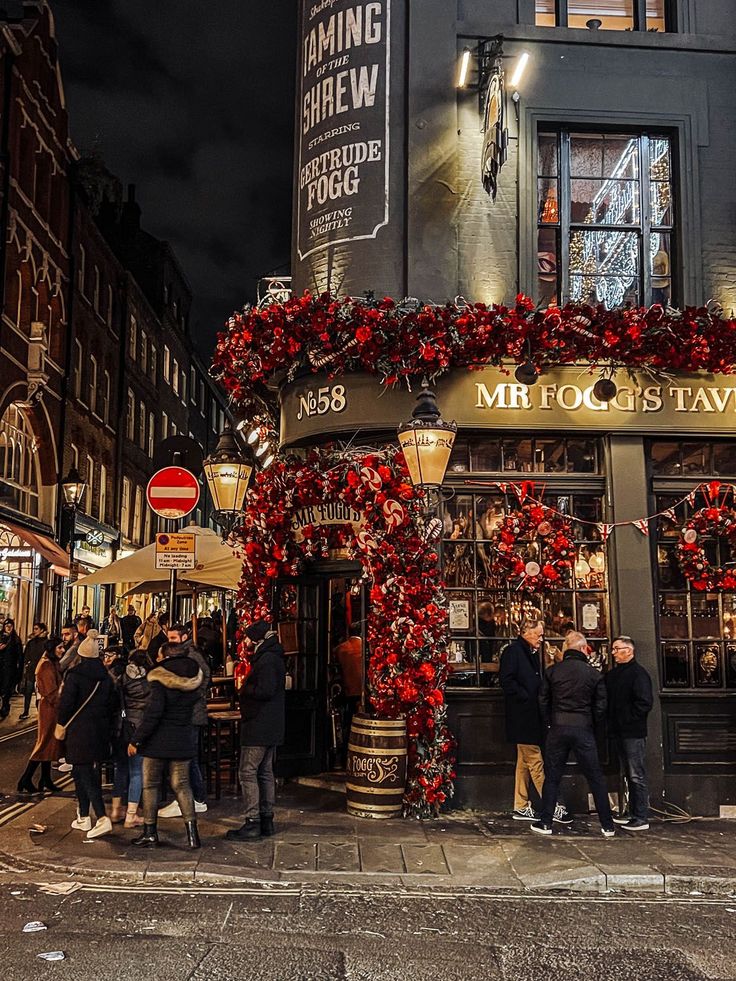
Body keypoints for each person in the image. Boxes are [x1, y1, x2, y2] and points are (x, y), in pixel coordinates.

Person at [531, 631, 615, 838]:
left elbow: (542, 701)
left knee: (552, 777)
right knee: (595, 777)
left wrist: (549, 723)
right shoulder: (594, 675)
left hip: (558, 727)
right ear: (583, 649)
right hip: (583, 727)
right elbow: (601, 706)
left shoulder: (553, 672)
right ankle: (607, 825)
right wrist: (592, 725)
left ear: (566, 649)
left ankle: (546, 822)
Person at [127, 642, 203, 849]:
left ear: (166, 656)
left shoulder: (160, 678)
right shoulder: (195, 677)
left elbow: (154, 713)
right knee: (182, 785)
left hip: (158, 741)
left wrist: (136, 739)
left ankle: (150, 833)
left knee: (150, 784)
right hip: (183, 738)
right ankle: (192, 835)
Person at [499, 618, 571, 824]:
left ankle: (520, 806)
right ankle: (553, 806)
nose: (541, 638)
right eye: (538, 634)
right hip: (523, 716)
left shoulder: (528, 652)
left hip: (528, 716)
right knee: (536, 762)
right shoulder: (514, 652)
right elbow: (507, 681)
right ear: (525, 631)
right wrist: (526, 697)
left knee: (524, 763)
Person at [226, 619, 286, 842]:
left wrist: (245, 689)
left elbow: (266, 689)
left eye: (248, 637)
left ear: (257, 639)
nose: (245, 642)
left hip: (260, 724)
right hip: (270, 724)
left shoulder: (267, 659)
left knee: (248, 771)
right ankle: (266, 818)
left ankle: (253, 821)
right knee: (264, 771)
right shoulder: (273, 656)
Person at [57, 629, 115, 840]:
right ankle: (83, 815)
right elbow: (112, 705)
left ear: (80, 654)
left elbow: (66, 704)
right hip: (99, 732)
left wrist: (60, 724)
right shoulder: (106, 678)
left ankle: (101, 817)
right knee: (82, 772)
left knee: (85, 774)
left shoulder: (75, 675)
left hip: (78, 731)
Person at [157, 623, 209, 818]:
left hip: (191, 714)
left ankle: (195, 798)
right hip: (188, 712)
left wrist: (190, 695)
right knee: (186, 757)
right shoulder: (185, 654)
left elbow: (204, 677)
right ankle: (190, 797)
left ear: (184, 637)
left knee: (188, 758)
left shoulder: (192, 655)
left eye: (173, 638)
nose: (170, 642)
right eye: (169, 638)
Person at [605, 635, 654, 832]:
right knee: (627, 773)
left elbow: (644, 703)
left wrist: (626, 719)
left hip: (632, 732)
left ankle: (640, 816)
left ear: (629, 650)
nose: (614, 652)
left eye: (617, 649)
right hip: (620, 731)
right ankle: (630, 812)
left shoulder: (638, 674)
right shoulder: (615, 674)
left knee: (635, 774)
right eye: (614, 649)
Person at [17, 636, 64, 793]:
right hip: (49, 709)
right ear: (52, 649)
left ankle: (45, 778)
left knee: (49, 744)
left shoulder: (52, 663)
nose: (62, 650)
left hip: (51, 708)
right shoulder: (45, 666)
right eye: (60, 648)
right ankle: (25, 778)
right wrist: (63, 705)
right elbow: (51, 693)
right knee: (44, 744)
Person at [119, 650, 152, 827]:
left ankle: (124, 808)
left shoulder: (123, 678)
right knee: (140, 771)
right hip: (144, 727)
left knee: (127, 768)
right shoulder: (152, 680)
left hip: (127, 725)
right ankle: (132, 813)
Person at [334, 625, 362, 759]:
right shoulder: (364, 648)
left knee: (347, 724)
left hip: (347, 691)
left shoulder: (341, 648)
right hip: (362, 692)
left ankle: (345, 753)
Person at [18, 622, 48, 720]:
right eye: (34, 629)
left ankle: (41, 712)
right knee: (28, 692)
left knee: (40, 693)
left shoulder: (46, 643)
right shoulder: (31, 643)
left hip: (41, 672)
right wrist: (26, 665)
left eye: (36, 629)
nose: (34, 631)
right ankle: (26, 711)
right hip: (31, 671)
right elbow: (26, 656)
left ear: (42, 630)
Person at [0, 618, 23, 718]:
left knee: (6, 689)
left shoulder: (15, 640)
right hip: (0, 667)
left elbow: (20, 656)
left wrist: (19, 671)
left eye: (10, 626)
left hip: (10, 669)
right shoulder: (0, 637)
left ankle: (5, 706)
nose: (8, 628)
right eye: (7, 626)